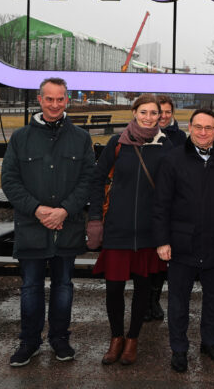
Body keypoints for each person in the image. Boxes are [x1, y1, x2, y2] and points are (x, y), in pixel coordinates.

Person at [1, 77, 95, 367]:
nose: (55, 104)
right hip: (32, 226)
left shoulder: (81, 138)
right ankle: (29, 341)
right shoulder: (20, 137)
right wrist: (38, 210)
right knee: (30, 287)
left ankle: (59, 338)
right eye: (49, 99)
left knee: (64, 285)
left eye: (60, 99)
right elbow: (10, 180)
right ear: (40, 100)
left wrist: (64, 211)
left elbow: (87, 180)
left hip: (67, 226)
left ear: (67, 100)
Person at [153, 109, 214, 373]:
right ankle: (179, 349)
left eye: (208, 128)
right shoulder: (172, 160)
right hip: (182, 244)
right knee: (179, 301)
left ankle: (209, 342)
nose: (203, 132)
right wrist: (162, 241)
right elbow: (161, 204)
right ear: (189, 128)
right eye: (198, 127)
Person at [87, 94, 172, 366]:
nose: (149, 117)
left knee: (143, 290)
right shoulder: (117, 143)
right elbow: (98, 179)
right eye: (143, 112)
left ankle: (133, 339)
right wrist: (95, 218)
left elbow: (173, 189)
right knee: (113, 289)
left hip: (150, 232)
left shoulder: (166, 146)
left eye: (154, 113)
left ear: (161, 116)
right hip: (118, 229)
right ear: (134, 112)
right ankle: (116, 338)